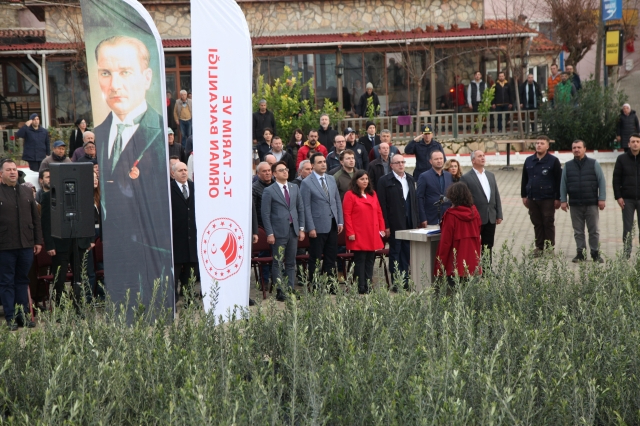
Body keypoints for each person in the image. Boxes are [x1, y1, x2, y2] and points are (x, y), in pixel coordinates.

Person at [92, 35, 173, 310]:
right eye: (106, 73)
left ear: (147, 77)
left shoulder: (160, 134)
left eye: (125, 72)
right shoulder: (99, 134)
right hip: (116, 257)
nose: (115, 85)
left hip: (150, 255)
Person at [0, 159, 42, 330]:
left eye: (14, 169)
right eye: (8, 169)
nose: (12, 172)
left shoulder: (26, 192)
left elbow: (35, 219)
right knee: (6, 282)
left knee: (22, 281)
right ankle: (10, 317)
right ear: (1, 173)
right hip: (5, 246)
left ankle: (22, 316)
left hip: (25, 244)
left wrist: (38, 240)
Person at [40, 189, 95, 305]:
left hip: (79, 241)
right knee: (59, 278)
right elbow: (46, 222)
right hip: (59, 243)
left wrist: (91, 239)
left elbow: (88, 216)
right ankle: (61, 307)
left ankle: (78, 305)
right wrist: (49, 244)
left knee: (80, 277)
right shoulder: (48, 196)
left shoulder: (82, 194)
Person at [261, 161, 305, 301]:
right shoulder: (269, 190)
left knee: (291, 262)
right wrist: (269, 233)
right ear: (274, 174)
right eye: (281, 170)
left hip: (293, 230)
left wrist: (302, 228)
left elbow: (300, 209)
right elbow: (265, 214)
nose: (285, 172)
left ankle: (290, 288)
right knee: (278, 261)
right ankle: (280, 289)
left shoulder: (294, 187)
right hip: (278, 231)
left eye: (286, 169)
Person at [376, 154, 419, 289]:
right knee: (395, 252)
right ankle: (396, 282)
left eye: (402, 162)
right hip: (394, 223)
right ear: (391, 165)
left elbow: (414, 202)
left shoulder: (410, 179)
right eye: (397, 163)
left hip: (409, 222)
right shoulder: (384, 181)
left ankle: (405, 280)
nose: (401, 165)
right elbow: (382, 205)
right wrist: (386, 225)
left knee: (407, 252)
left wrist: (416, 221)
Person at [300, 153, 344, 285]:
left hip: (332, 224)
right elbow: (305, 207)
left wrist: (340, 220)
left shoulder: (330, 179)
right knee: (316, 257)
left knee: (331, 256)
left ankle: (331, 285)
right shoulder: (306, 183)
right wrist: (310, 227)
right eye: (319, 162)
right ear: (312, 165)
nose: (323, 164)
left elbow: (336, 201)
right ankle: (314, 284)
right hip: (317, 226)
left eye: (324, 161)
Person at [560, 140, 606, 263]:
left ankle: (595, 253)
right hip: (575, 204)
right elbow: (563, 184)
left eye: (579, 147)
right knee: (578, 231)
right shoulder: (567, 166)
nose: (576, 149)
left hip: (591, 203)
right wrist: (563, 200)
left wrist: (602, 198)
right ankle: (581, 253)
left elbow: (601, 181)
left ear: (585, 149)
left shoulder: (594, 164)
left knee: (594, 230)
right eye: (574, 147)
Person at [433, 183, 482, 291]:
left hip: (456, 264)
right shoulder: (475, 212)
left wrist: (439, 267)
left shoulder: (451, 215)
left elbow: (445, 243)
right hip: (473, 262)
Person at [343, 170, 385, 294]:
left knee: (370, 259)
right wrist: (350, 232)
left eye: (366, 179)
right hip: (358, 233)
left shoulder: (372, 194)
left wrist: (381, 228)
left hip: (372, 232)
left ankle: (368, 284)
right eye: (362, 179)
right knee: (360, 260)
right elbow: (347, 214)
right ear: (356, 181)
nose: (365, 181)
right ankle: (360, 286)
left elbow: (379, 212)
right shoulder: (350, 195)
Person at [521, 135, 562, 255]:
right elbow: (524, 179)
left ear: (548, 146)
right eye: (537, 143)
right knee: (537, 223)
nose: (539, 145)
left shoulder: (553, 161)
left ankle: (549, 248)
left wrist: (558, 198)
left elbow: (558, 180)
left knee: (548, 222)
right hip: (533, 197)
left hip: (548, 198)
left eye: (542, 143)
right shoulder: (529, 160)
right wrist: (524, 195)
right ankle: (539, 247)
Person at [460, 150, 502, 263]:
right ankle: (472, 269)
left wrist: (499, 214)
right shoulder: (466, 178)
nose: (483, 158)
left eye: (483, 156)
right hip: (475, 217)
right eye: (479, 156)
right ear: (473, 160)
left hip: (490, 216)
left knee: (488, 245)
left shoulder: (490, 175)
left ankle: (487, 271)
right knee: (473, 245)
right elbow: (464, 200)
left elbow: (496, 195)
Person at [170, 161, 198, 298]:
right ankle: (173, 301)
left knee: (190, 272)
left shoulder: (195, 187)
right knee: (174, 272)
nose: (183, 172)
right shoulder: (168, 189)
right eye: (180, 170)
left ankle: (189, 299)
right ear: (173, 173)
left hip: (192, 237)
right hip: (176, 238)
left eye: (185, 170)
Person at [613, 133, 640, 258]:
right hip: (627, 199)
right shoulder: (621, 159)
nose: (635, 144)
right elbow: (616, 179)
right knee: (627, 228)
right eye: (633, 141)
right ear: (629, 144)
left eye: (638, 141)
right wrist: (618, 196)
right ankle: (627, 252)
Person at [417, 151, 453, 226]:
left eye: (441, 158)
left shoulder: (448, 175)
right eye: (436, 159)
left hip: (448, 216)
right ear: (431, 161)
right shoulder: (424, 176)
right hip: (431, 218)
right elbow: (419, 198)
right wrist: (423, 218)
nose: (439, 161)